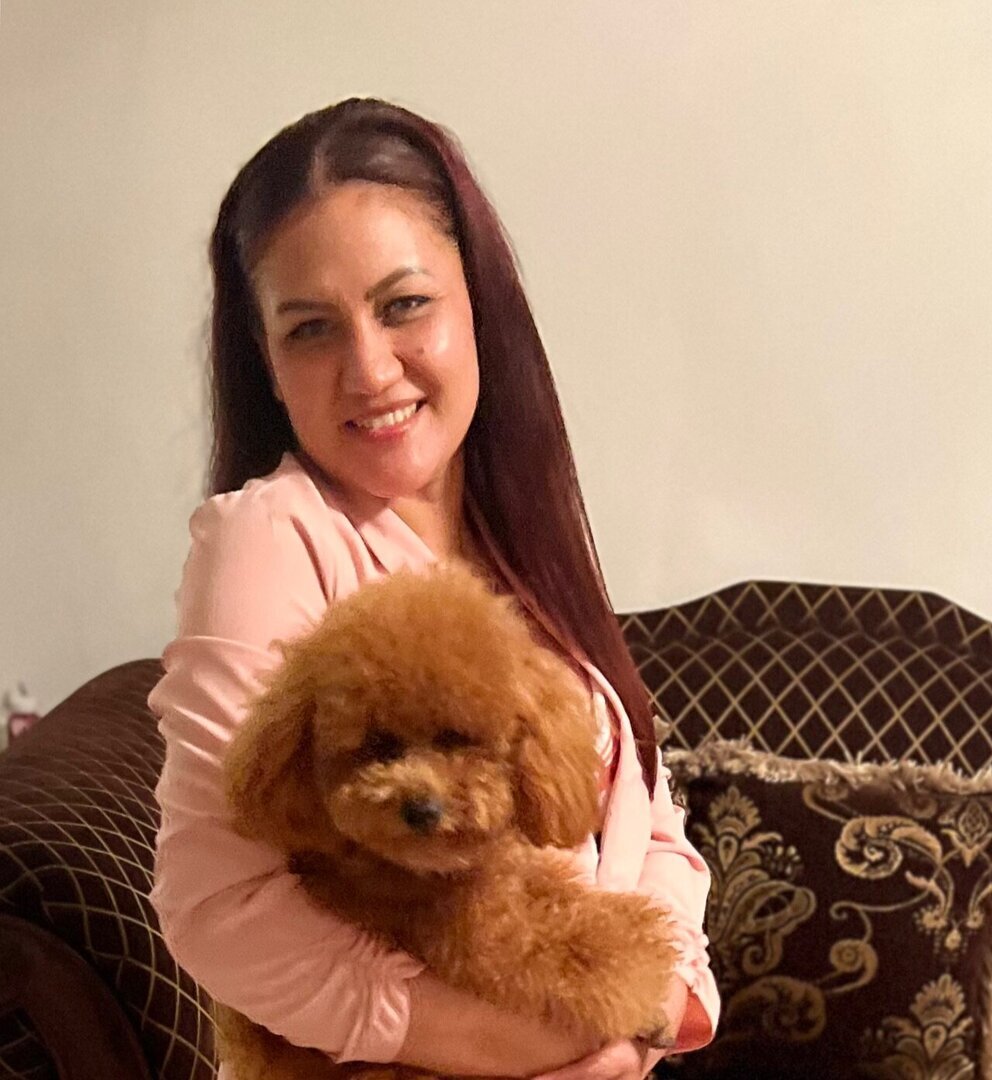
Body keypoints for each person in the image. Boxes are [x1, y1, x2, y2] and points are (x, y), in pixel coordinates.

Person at [148, 97, 720, 1080]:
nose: (370, 370)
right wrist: (543, 1048)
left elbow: (641, 811)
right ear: (269, 367)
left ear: (476, 305)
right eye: (311, 329)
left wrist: (660, 1005)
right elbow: (219, 906)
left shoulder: (520, 545)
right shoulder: (270, 538)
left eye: (403, 305)